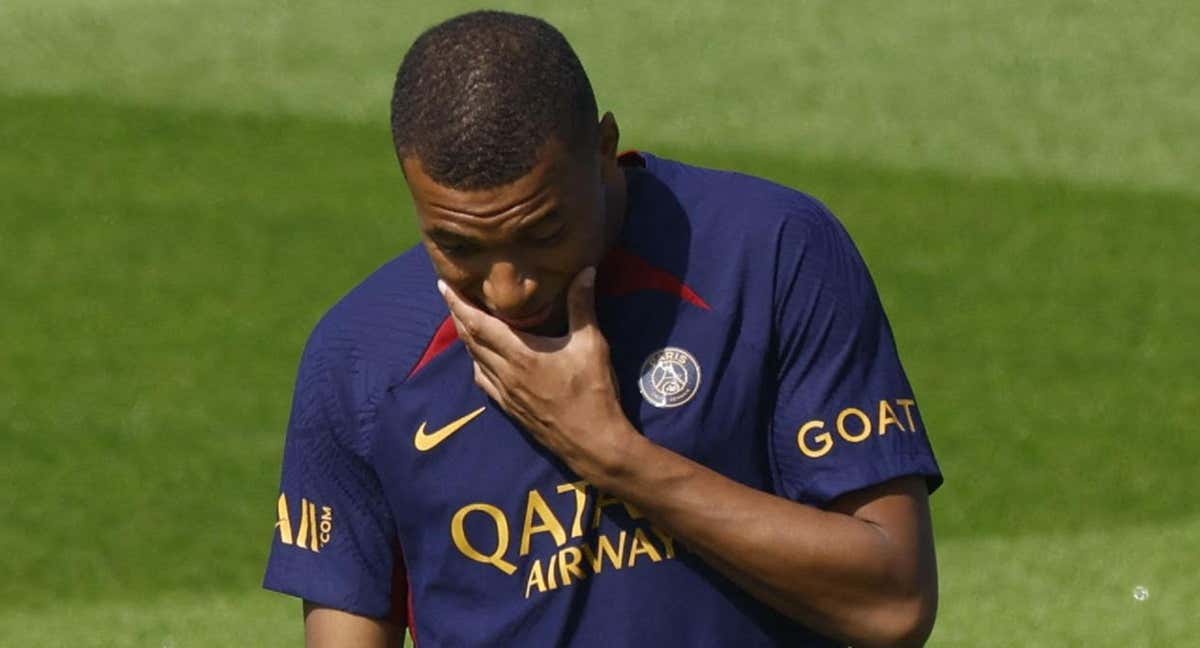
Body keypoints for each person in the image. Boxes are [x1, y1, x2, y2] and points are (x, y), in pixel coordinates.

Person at [264, 10, 942, 648]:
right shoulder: (362, 356)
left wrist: (616, 457)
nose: (510, 288)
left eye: (545, 231)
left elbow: (894, 603)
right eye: (459, 247)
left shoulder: (768, 253)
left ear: (604, 151)